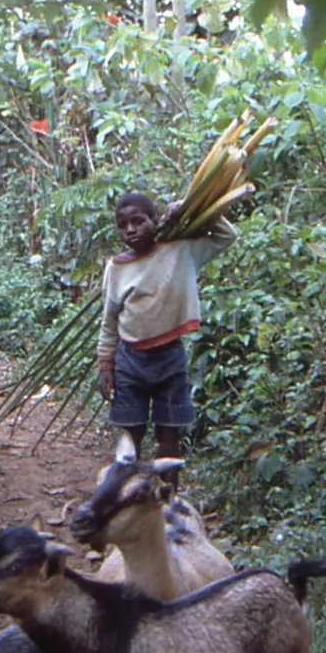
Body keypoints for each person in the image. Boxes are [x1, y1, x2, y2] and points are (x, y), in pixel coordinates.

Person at [95, 188, 236, 459]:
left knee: (169, 437)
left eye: (138, 221)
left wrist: (185, 206)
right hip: (129, 360)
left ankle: (167, 497)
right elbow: (110, 321)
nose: (131, 230)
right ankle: (128, 496)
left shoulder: (181, 251)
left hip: (169, 357)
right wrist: (105, 365)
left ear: (155, 220)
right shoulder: (116, 268)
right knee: (130, 438)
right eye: (122, 225)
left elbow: (227, 236)